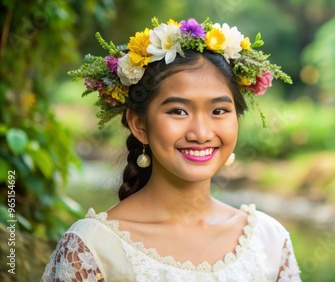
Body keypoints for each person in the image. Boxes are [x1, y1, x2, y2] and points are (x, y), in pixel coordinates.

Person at [42, 17, 300, 281]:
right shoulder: (92, 248)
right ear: (139, 124)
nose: (201, 133)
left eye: (219, 110)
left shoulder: (269, 241)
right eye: (178, 111)